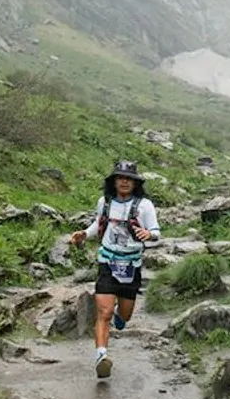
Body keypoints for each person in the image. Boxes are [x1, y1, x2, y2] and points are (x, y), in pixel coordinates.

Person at [67, 160, 160, 378]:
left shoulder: (145, 205)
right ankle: (102, 356)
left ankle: (122, 317)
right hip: (107, 261)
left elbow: (156, 231)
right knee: (104, 312)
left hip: (131, 265)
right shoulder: (105, 202)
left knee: (123, 316)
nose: (125, 181)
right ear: (114, 181)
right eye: (121, 178)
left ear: (135, 183)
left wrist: (150, 235)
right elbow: (98, 223)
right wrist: (85, 234)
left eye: (129, 178)